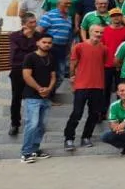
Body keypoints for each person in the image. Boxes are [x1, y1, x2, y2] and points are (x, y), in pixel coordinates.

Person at [63, 24, 106, 151]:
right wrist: (72, 81)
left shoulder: (104, 49)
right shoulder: (79, 47)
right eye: (96, 32)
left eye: (101, 33)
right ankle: (69, 138)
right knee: (77, 113)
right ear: (90, 32)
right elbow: (73, 64)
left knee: (94, 114)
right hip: (81, 86)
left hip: (98, 86)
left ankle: (86, 137)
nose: (98, 34)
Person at [20, 33, 57, 163]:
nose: (47, 45)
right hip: (32, 97)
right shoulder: (30, 57)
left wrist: (49, 89)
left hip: (46, 97)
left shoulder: (51, 58)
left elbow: (53, 76)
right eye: (44, 42)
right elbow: (27, 76)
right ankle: (26, 153)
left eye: (49, 43)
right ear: (37, 43)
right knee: (32, 124)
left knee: (42, 125)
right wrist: (39, 89)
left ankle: (35, 149)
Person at [8, 13, 38, 136]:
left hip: (35, 71)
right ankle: (15, 123)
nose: (34, 25)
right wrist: (30, 40)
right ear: (24, 24)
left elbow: (38, 53)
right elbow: (16, 55)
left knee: (34, 98)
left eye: (35, 22)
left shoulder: (39, 36)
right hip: (18, 70)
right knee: (16, 97)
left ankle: (34, 123)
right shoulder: (14, 36)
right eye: (31, 22)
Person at [37, 0, 73, 91]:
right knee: (48, 74)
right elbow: (39, 32)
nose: (68, 5)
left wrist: (68, 50)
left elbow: (68, 35)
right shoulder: (49, 15)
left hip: (62, 49)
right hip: (50, 49)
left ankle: (49, 94)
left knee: (60, 75)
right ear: (58, 4)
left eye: (70, 3)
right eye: (66, 3)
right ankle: (46, 96)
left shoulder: (69, 17)